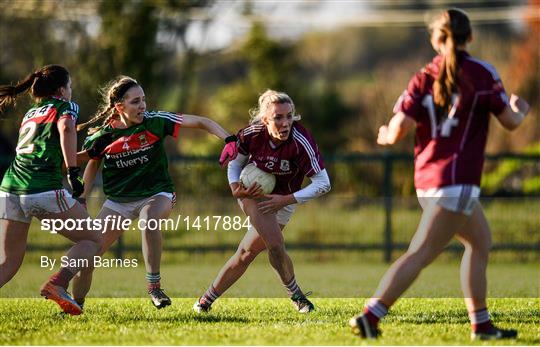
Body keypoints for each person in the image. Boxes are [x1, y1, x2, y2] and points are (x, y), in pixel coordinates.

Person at [349, 8, 530, 341]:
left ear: (435, 39)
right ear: (470, 37)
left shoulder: (422, 76)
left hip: (429, 181)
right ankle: (370, 314)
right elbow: (511, 122)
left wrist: (384, 134)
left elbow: (397, 130)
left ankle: (482, 325)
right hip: (456, 182)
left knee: (480, 242)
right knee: (421, 253)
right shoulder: (481, 73)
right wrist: (521, 109)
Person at [71, 76, 236, 310]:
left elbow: (200, 121)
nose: (143, 106)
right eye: (136, 102)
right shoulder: (102, 136)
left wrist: (228, 138)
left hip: (157, 194)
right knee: (88, 255)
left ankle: (154, 287)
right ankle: (74, 306)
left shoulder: (155, 121)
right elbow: (92, 163)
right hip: (118, 202)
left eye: (144, 100)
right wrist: (81, 197)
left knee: (149, 221)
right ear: (120, 107)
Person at [194, 89, 331, 314]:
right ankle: (298, 297)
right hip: (253, 194)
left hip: (285, 199)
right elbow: (235, 164)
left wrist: (284, 200)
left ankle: (205, 301)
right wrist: (235, 188)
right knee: (275, 243)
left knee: (247, 252)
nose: (285, 122)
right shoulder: (252, 134)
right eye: (278, 117)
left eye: (289, 116)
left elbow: (323, 183)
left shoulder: (300, 141)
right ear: (265, 119)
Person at [0, 65, 102, 315]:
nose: (71, 91)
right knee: (93, 240)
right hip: (42, 187)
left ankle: (59, 284)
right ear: (60, 89)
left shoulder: (32, 113)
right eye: (70, 86)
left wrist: (85, 155)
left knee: (8, 261)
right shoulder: (66, 105)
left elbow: (50, 148)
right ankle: (58, 283)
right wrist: (73, 172)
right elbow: (66, 129)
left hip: (10, 187)